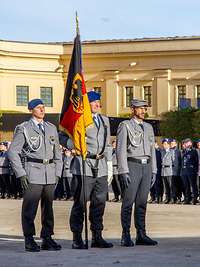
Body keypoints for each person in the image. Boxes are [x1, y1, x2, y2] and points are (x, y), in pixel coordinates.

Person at [8, 98, 63, 252]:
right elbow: (13, 152)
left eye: (43, 107)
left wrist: (58, 172)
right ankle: (29, 238)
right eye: (38, 107)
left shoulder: (51, 128)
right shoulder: (24, 128)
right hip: (32, 171)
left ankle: (47, 237)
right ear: (31, 110)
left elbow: (57, 153)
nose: (42, 110)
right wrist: (21, 173)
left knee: (48, 207)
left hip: (50, 172)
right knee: (30, 207)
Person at [60, 91, 113, 249]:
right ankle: (77, 237)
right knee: (80, 204)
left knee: (99, 203)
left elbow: (108, 143)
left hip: (101, 165)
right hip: (84, 164)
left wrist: (109, 163)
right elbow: (62, 136)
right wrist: (74, 145)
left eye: (98, 102)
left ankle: (97, 235)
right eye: (94, 102)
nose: (98, 104)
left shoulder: (104, 120)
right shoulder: (79, 119)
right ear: (86, 105)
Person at [116, 98, 157, 247]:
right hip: (132, 165)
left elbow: (152, 150)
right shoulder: (125, 126)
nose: (143, 111)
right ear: (133, 109)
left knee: (142, 202)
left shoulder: (148, 127)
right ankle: (125, 234)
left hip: (146, 167)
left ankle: (141, 233)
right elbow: (120, 150)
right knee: (128, 202)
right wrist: (123, 171)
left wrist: (154, 170)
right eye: (140, 108)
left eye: (145, 109)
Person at [181, 138, 198, 205]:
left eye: (186, 142)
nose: (185, 144)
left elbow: (196, 162)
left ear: (190, 143)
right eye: (184, 143)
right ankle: (187, 198)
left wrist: (195, 171)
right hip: (184, 171)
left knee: (193, 185)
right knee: (186, 185)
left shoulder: (193, 151)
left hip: (191, 171)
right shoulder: (184, 151)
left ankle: (195, 198)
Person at [160, 138, 174, 204]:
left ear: (168, 145)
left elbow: (173, 161)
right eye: (163, 144)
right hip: (163, 171)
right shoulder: (162, 152)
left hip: (169, 170)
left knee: (171, 186)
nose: (164, 145)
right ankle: (167, 198)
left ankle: (172, 199)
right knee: (165, 186)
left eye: (166, 144)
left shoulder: (171, 151)